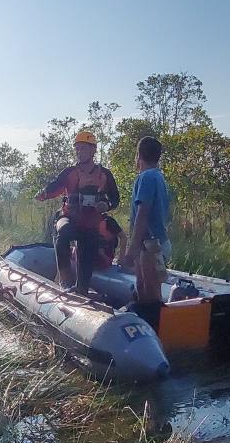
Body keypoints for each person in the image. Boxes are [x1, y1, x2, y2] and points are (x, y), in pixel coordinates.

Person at [35, 130, 120, 294]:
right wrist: (44, 193)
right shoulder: (69, 172)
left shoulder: (105, 174)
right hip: (69, 217)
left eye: (83, 149)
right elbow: (55, 186)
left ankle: (81, 290)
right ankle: (65, 281)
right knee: (64, 232)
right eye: (77, 149)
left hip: (91, 224)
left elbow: (115, 199)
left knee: (86, 263)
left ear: (93, 150)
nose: (79, 152)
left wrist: (106, 205)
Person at [123, 136, 173, 309]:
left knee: (151, 294)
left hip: (150, 245)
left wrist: (132, 248)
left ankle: (157, 328)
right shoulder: (159, 177)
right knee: (142, 287)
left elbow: (142, 214)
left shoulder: (146, 178)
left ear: (138, 156)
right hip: (156, 242)